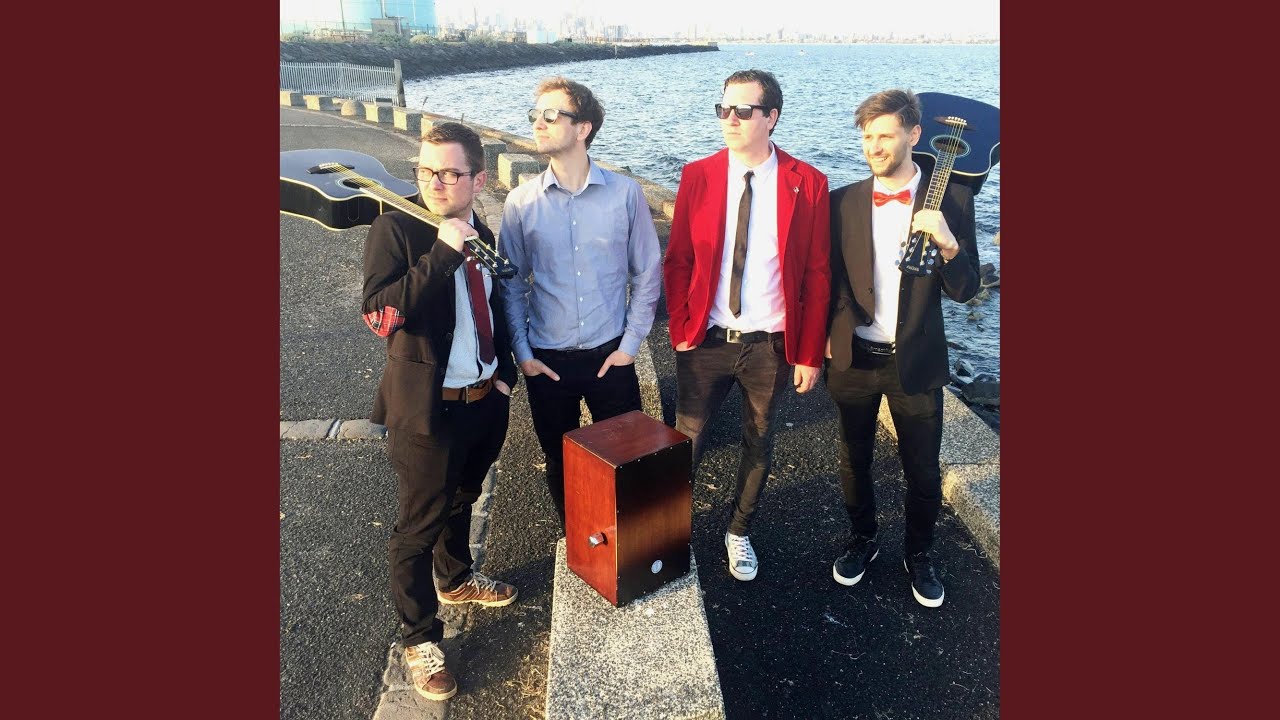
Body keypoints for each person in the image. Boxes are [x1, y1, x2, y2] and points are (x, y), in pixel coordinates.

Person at [361, 122, 520, 701]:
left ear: (480, 179)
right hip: (427, 413)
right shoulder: (396, 228)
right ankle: (420, 639)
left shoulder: (483, 232)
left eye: (451, 173)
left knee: (464, 498)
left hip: (483, 401)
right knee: (417, 528)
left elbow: (495, 309)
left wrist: (504, 378)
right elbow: (380, 316)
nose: (435, 182)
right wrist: (442, 255)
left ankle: (455, 579)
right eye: (427, 170)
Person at [663, 69, 831, 582]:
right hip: (707, 339)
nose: (729, 119)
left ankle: (738, 531)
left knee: (759, 440)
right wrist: (681, 326)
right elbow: (679, 259)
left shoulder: (808, 182)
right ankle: (666, 531)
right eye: (723, 109)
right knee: (686, 440)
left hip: (771, 345)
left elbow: (818, 274)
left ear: (771, 117)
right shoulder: (699, 175)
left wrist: (809, 353)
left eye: (743, 110)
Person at [826, 89, 981, 608]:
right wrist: (824, 339)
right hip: (854, 357)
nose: (874, 146)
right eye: (867, 137)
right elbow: (828, 280)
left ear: (915, 135)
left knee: (923, 471)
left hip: (914, 361)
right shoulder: (842, 201)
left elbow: (966, 289)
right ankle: (863, 539)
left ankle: (920, 555)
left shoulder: (953, 200)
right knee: (854, 459)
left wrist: (948, 243)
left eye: (885, 135)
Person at [498, 76, 662, 529]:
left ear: (583, 127)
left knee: (626, 456)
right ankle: (579, 540)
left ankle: (624, 542)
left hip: (610, 355)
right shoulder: (521, 202)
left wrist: (630, 345)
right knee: (559, 458)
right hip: (547, 360)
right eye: (535, 114)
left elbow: (647, 271)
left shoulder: (625, 194)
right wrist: (523, 353)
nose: (538, 123)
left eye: (552, 115)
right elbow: (512, 283)